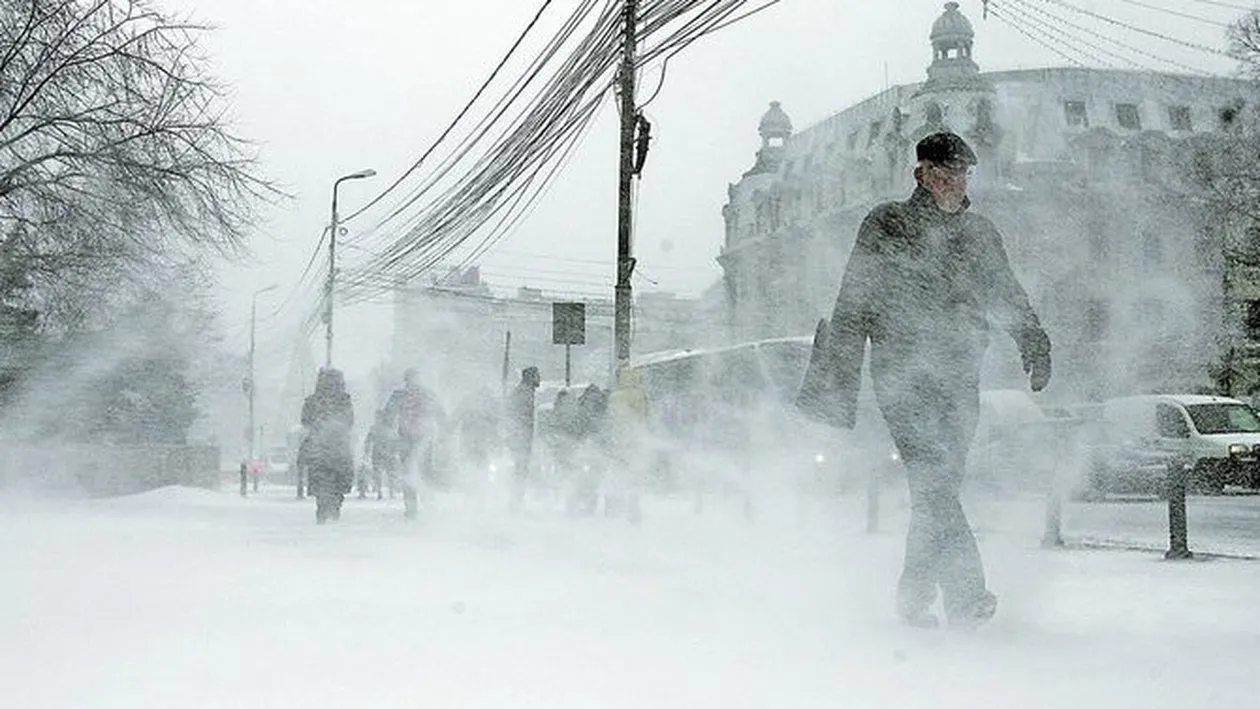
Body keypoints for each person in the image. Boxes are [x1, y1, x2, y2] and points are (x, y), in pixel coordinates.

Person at [796, 132, 1052, 629]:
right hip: (901, 377)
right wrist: (836, 387)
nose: (956, 182)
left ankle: (912, 597)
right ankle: (967, 595)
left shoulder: (979, 233)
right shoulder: (887, 223)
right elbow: (854, 298)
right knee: (935, 481)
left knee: (937, 489)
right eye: (945, 172)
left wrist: (1034, 341)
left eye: (962, 174)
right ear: (922, 174)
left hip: (959, 376)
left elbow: (1006, 291)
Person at [383, 368, 445, 520]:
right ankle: (430, 506)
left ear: (405, 379)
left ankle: (411, 509)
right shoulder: (428, 394)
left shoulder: (399, 395)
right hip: (425, 439)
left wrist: (389, 432)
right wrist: (443, 432)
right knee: (425, 473)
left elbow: (388, 416)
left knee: (408, 473)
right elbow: (441, 414)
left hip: (406, 439)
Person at [301, 368, 356, 524]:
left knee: (321, 478)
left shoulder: (312, 400)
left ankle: (323, 508)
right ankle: (335, 507)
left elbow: (305, 421)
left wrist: (319, 425)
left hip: (318, 447)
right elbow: (350, 422)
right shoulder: (344, 400)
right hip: (339, 447)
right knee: (339, 479)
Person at [606, 365, 650, 524]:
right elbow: (646, 417)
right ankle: (634, 505)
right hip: (637, 443)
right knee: (634, 477)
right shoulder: (641, 395)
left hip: (619, 443)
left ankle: (616, 506)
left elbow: (612, 419)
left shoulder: (615, 396)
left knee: (617, 477)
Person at [505, 366, 540, 509]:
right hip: (521, 438)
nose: (539, 379)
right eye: (537, 376)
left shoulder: (524, 391)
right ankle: (516, 501)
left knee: (520, 469)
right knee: (520, 469)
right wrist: (519, 434)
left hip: (521, 437)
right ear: (530, 377)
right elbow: (518, 416)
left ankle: (517, 500)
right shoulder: (524, 393)